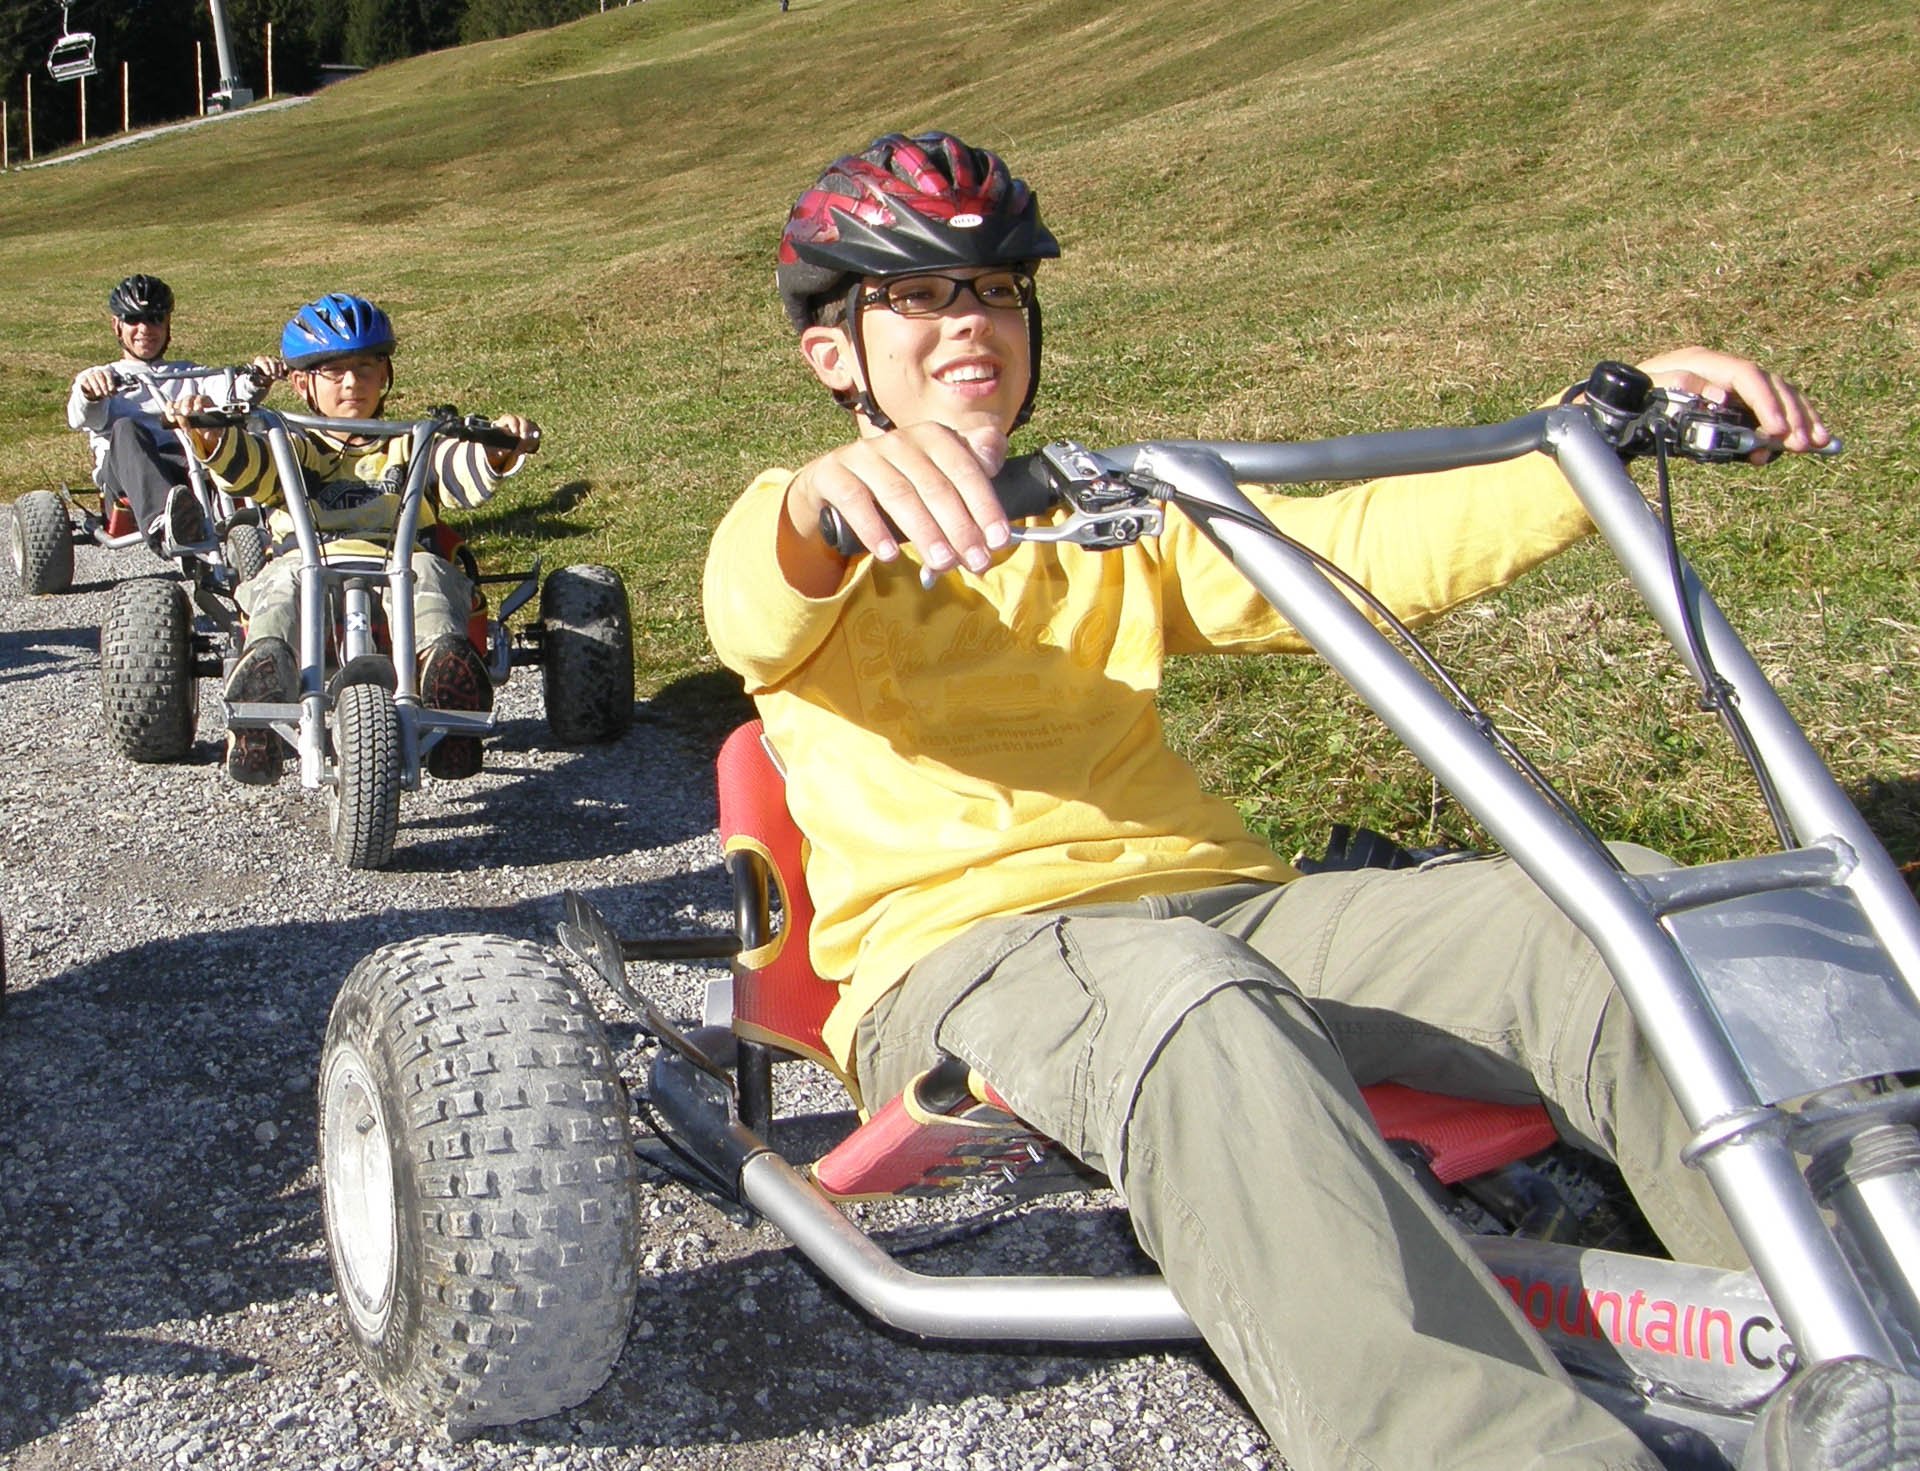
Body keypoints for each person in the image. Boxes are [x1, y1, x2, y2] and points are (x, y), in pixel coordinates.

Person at [701, 131, 1868, 1470]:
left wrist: (1585, 433)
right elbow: (758, 585)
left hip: (1231, 919)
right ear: (833, 353)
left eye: (1000, 291)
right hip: (971, 959)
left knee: (1632, 919)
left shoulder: (1100, 517)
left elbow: (1357, 552)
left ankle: (1863, 1323)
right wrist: (825, 499)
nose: (974, 320)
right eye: (921, 294)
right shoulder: (801, 527)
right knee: (1194, 999)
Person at [169, 292, 539, 786]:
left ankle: (447, 689)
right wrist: (212, 438)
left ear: (386, 375)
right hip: (305, 562)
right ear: (302, 382)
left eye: (366, 368)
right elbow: (248, 467)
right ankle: (262, 698)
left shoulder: (413, 440)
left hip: (401, 563)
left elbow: (455, 472)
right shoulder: (291, 441)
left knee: (430, 575)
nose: (351, 383)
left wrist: (496, 451)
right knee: (279, 587)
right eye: (334, 371)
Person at [66, 274, 261, 555]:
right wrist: (90, 393)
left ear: (168, 323)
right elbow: (80, 417)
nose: (144, 328)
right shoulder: (103, 376)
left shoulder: (190, 374)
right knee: (125, 428)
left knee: (246, 425)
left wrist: (258, 379)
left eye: (155, 318)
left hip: (191, 472)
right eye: (133, 319)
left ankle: (272, 517)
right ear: (116, 325)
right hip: (127, 480)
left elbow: (233, 393)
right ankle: (164, 523)